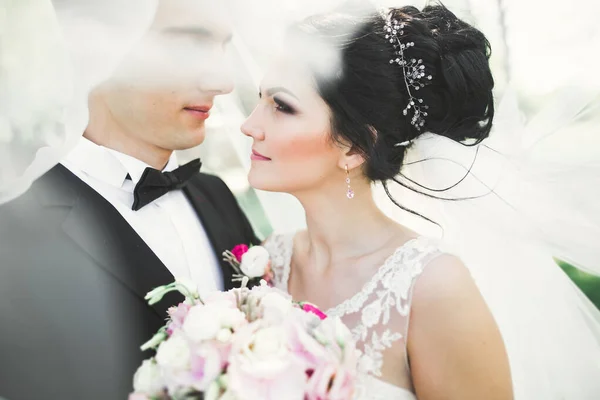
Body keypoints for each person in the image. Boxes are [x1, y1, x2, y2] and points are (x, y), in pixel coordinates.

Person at [241, 4, 600, 399]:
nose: (249, 125)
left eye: (282, 106)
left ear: (356, 147)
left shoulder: (430, 287)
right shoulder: (265, 262)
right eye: (260, 99)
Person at [0, 1, 259, 399]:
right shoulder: (15, 234)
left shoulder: (215, 194)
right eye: (190, 45)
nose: (223, 81)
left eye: (224, 47)